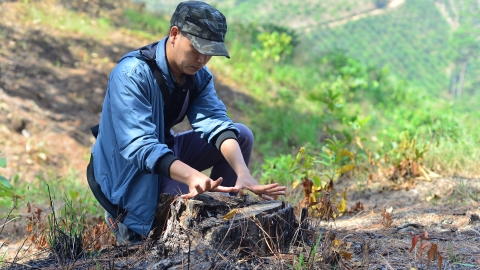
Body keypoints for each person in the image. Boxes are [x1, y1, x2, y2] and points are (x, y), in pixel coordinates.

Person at [87, 1, 286, 245]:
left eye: (210, 52)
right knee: (166, 222)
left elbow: (215, 122)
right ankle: (127, 220)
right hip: (127, 171)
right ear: (174, 34)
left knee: (241, 135)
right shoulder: (131, 74)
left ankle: (219, 214)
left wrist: (242, 173)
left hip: (164, 152)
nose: (202, 59)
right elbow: (139, 146)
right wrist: (191, 175)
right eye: (196, 48)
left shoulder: (197, 76)